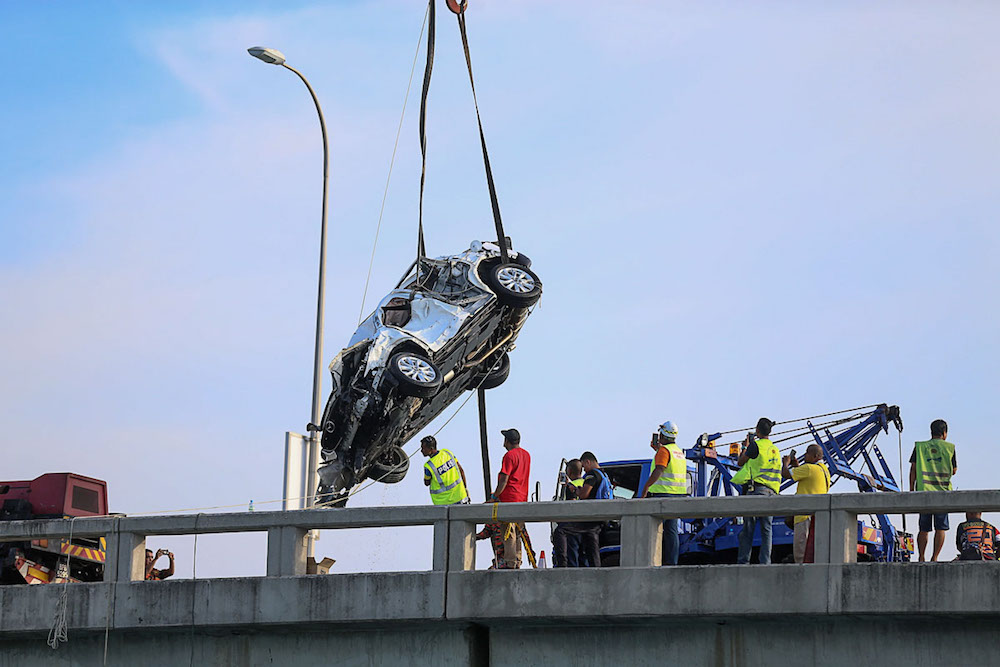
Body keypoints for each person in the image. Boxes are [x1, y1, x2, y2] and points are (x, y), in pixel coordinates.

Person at [732, 418, 781, 565]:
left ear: (757, 431)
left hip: (757, 491)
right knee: (767, 529)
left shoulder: (755, 446)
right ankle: (765, 562)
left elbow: (740, 462)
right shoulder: (775, 449)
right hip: (772, 492)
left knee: (748, 529)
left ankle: (743, 561)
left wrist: (746, 447)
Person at [639, 420, 687, 565]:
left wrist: (646, 487)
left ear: (662, 434)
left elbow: (659, 469)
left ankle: (664, 562)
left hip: (664, 495)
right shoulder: (678, 452)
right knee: (672, 531)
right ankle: (671, 562)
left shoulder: (664, 451)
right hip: (677, 494)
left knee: (658, 531)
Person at [909, 419, 958, 562]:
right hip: (942, 493)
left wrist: (911, 489)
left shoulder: (920, 447)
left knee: (923, 528)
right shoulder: (949, 448)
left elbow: (913, 469)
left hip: (924, 492)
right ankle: (934, 557)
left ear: (931, 432)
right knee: (940, 527)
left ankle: (921, 556)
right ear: (944, 433)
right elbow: (954, 470)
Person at [781, 444, 831, 563]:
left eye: (807, 453)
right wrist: (796, 466)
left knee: (801, 554)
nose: (805, 455)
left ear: (815, 456)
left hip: (803, 516)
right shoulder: (824, 471)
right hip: (817, 517)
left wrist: (786, 463)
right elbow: (806, 477)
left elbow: (786, 474)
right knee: (811, 553)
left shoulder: (809, 468)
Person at [490, 428, 530, 568]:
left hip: (509, 499)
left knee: (508, 534)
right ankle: (517, 561)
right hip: (522, 499)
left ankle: (510, 563)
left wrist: (495, 496)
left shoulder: (509, 456)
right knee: (518, 532)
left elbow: (504, 479)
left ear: (507, 441)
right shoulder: (526, 455)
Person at [576, 452, 613, 567]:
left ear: (588, 462)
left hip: (592, 519)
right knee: (595, 550)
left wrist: (576, 490)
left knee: (590, 550)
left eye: (583, 466)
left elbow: (584, 494)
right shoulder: (604, 475)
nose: (583, 471)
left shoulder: (592, 474)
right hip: (603, 517)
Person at [552, 459, 585, 567]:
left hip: (572, 526)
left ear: (569, 471)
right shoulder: (585, 483)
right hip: (585, 524)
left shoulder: (571, 487)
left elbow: (571, 506)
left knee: (571, 557)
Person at [420, 435, 470, 505]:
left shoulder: (428, 466)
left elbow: (426, 482)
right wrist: (465, 489)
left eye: (423, 448)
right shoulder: (447, 453)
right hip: (461, 498)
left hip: (443, 503)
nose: (421, 451)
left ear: (431, 449)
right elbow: (461, 470)